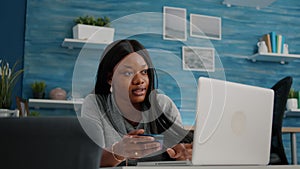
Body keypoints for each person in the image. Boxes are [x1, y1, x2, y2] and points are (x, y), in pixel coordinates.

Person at [81, 39, 193, 167]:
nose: (139, 80)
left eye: (144, 72)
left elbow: (179, 151)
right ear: (110, 78)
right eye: (128, 73)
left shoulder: (163, 104)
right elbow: (89, 158)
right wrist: (119, 151)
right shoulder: (95, 104)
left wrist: (182, 155)